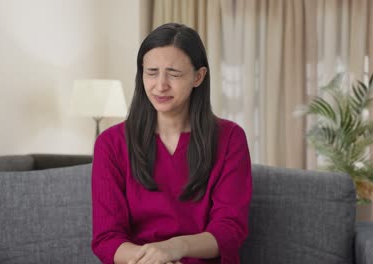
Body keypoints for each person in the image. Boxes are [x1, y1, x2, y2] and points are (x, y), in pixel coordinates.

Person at [91, 23, 252, 264]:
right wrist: (154, 260)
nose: (160, 85)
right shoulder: (110, 144)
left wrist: (175, 247)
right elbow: (107, 238)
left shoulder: (230, 138)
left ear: (198, 77)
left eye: (174, 74)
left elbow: (229, 229)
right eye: (152, 72)